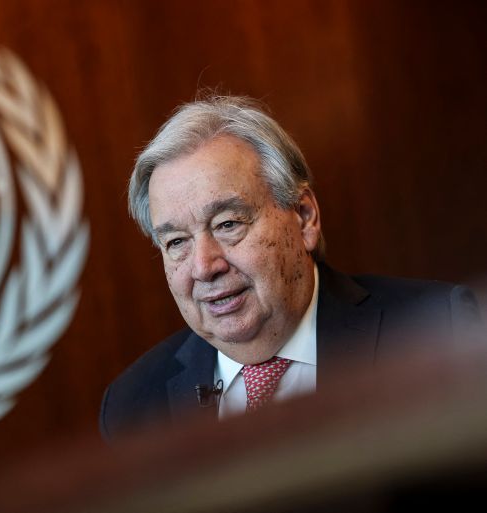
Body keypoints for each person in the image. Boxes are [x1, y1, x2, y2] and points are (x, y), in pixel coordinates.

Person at [100, 95, 481, 441]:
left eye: (228, 224)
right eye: (176, 242)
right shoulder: (131, 407)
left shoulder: (436, 335)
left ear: (304, 217)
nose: (203, 267)